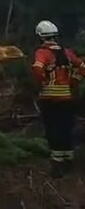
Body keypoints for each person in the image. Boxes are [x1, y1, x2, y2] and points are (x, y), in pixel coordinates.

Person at [32, 20, 85, 177]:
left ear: (40, 37)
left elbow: (37, 69)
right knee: (66, 129)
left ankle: (57, 165)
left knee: (52, 131)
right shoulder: (67, 52)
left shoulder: (42, 53)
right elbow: (82, 67)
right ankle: (68, 160)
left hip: (50, 99)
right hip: (67, 98)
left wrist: (43, 82)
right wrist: (74, 80)